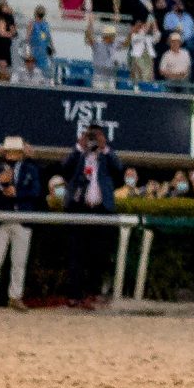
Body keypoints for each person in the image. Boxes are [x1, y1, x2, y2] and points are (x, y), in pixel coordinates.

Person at [0, 137, 44, 309]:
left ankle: (15, 296)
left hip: (22, 218)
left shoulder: (31, 169)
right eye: (9, 151)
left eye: (15, 151)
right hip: (1, 218)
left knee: (19, 261)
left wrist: (17, 192)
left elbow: (36, 191)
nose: (12, 155)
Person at [58, 124, 119, 305]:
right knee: (76, 255)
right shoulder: (79, 155)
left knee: (98, 255)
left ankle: (92, 294)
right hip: (79, 209)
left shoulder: (106, 157)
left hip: (101, 211)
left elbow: (119, 168)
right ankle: (74, 295)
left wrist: (104, 147)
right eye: (90, 136)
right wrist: (79, 146)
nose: (92, 139)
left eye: (96, 136)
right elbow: (65, 168)